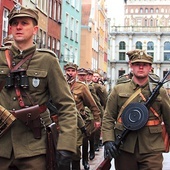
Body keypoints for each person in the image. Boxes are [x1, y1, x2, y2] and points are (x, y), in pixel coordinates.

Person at [0, 4, 78, 170]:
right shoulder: (0, 57)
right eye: (15, 23)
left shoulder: (47, 61)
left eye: (24, 23)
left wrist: (66, 145)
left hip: (34, 148)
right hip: (2, 145)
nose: (18, 27)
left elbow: (66, 106)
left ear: (35, 29)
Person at [102, 49, 170, 170]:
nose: (141, 67)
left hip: (152, 148)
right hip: (124, 146)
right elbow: (108, 118)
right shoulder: (118, 90)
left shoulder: (160, 91)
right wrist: (108, 140)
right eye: (137, 64)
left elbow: (169, 119)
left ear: (150, 68)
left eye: (144, 65)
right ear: (131, 66)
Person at [64, 63, 101, 170]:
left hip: (77, 122)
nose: (70, 73)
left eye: (72, 71)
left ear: (75, 72)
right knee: (62, 152)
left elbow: (92, 104)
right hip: (62, 122)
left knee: (75, 148)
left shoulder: (81, 87)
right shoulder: (61, 85)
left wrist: (97, 119)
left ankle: (81, 164)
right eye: (68, 71)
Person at [92, 71, 108, 151]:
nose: (95, 77)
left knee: (97, 128)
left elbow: (104, 99)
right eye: (94, 76)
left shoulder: (98, 87)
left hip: (98, 108)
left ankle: (96, 144)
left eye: (96, 76)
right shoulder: (94, 86)